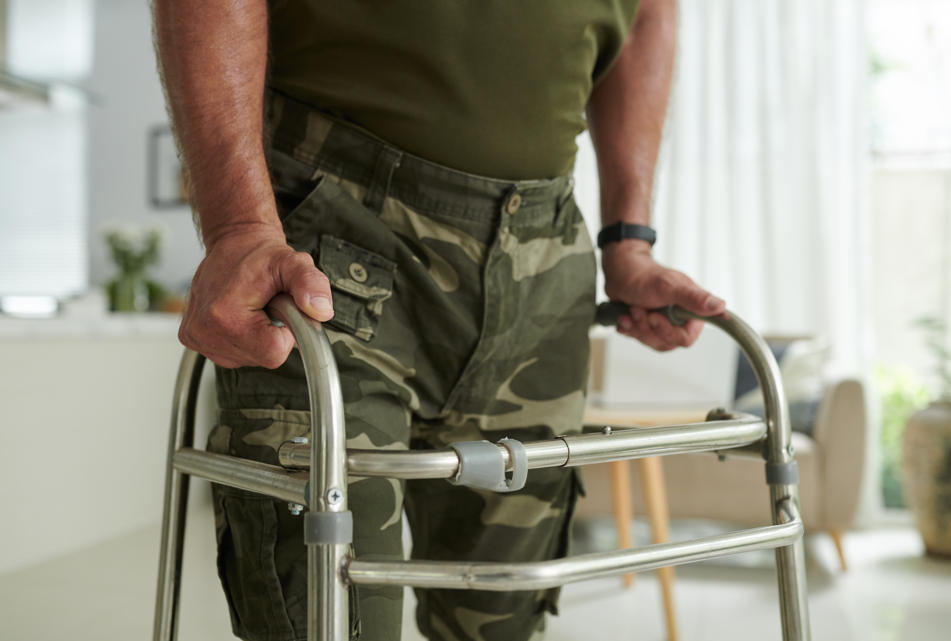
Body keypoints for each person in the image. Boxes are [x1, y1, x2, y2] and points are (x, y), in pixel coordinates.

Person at [153, 1, 726, 640]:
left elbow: (648, 11)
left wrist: (629, 240)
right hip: (332, 237)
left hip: (545, 260)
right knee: (326, 618)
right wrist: (238, 226)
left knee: (505, 623)